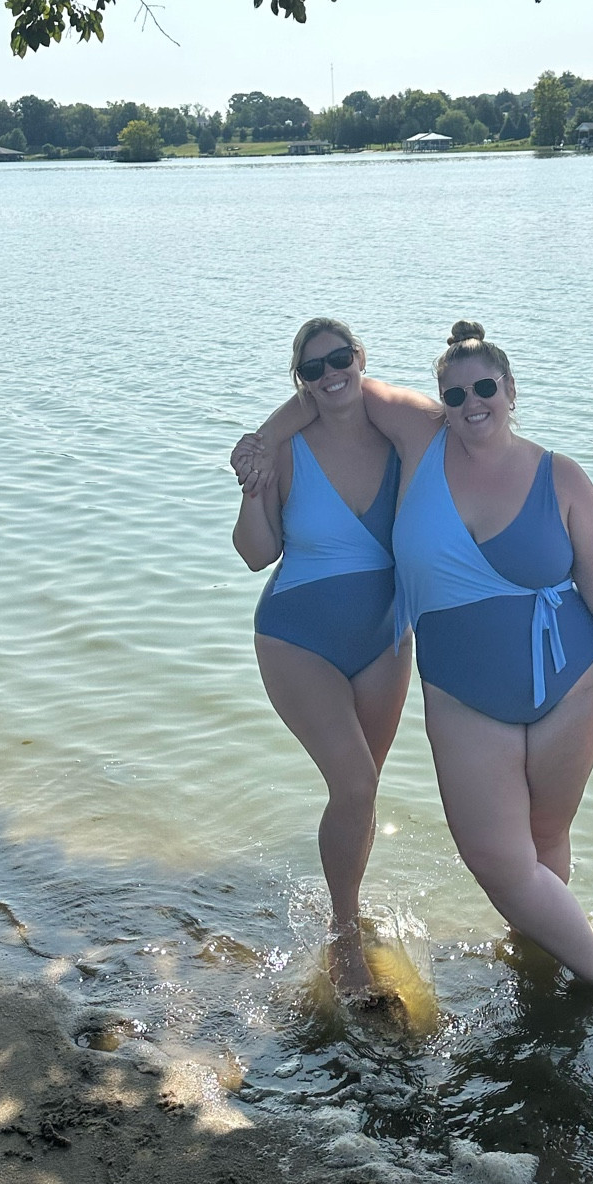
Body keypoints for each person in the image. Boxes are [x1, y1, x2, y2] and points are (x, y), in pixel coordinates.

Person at [234, 319, 593, 989]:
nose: (472, 403)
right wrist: (261, 448)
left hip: (509, 670)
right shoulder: (387, 439)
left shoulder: (531, 468)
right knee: (427, 823)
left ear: (510, 389)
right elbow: (327, 408)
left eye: (485, 388)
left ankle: (538, 962)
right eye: (456, 394)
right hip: (392, 671)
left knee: (542, 833)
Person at [231, 317, 412, 991]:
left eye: (340, 358)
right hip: (297, 638)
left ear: (360, 357)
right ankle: (344, 939)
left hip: (386, 639)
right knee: (356, 785)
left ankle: (349, 912)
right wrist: (254, 491)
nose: (331, 374)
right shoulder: (285, 449)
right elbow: (256, 554)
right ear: (300, 381)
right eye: (314, 368)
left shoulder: (397, 435)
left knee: (360, 792)